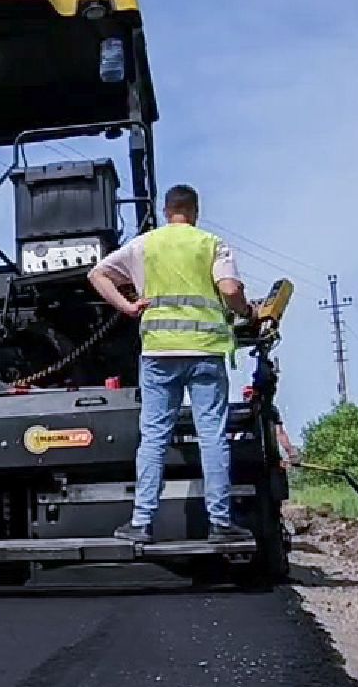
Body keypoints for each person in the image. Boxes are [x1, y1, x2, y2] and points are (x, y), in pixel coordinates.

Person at [87, 184, 255, 543]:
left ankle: (141, 523)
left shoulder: (145, 244)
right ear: (195, 211)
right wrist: (248, 312)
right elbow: (229, 290)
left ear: (166, 211)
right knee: (212, 436)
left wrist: (127, 307)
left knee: (154, 437)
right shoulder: (212, 244)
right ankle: (221, 523)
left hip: (159, 354)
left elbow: (97, 274)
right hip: (206, 352)